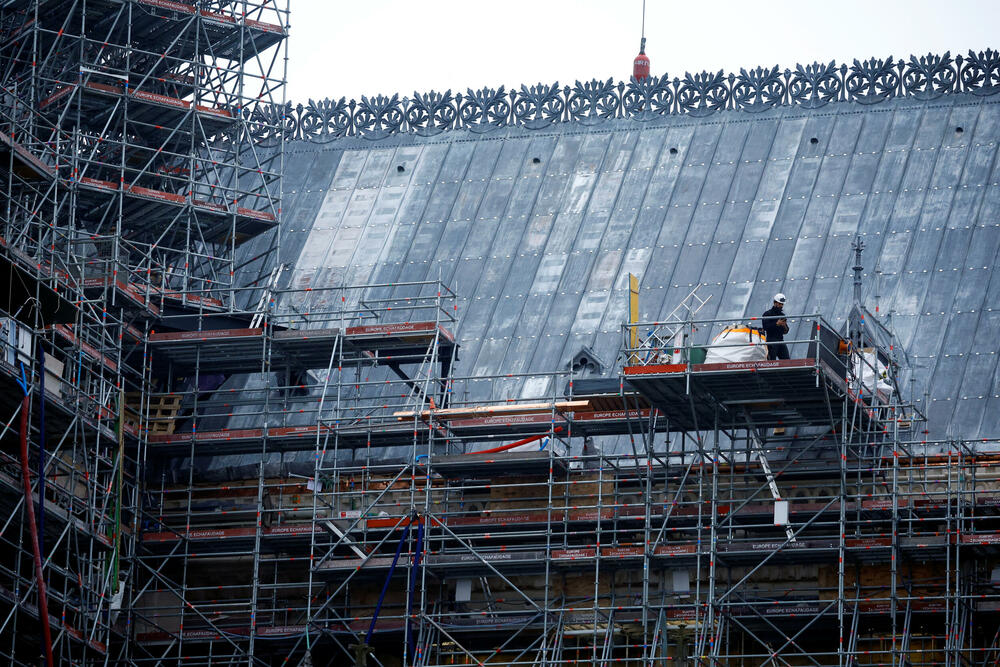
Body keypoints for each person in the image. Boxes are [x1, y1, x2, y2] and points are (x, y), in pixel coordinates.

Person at [762, 293, 790, 360]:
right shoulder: (767, 314)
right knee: (772, 361)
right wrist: (776, 324)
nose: (781, 306)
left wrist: (784, 326)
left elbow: (785, 331)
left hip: (780, 340)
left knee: (787, 360)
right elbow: (765, 327)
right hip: (771, 340)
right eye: (779, 304)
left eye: (782, 304)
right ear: (775, 303)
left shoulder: (782, 315)